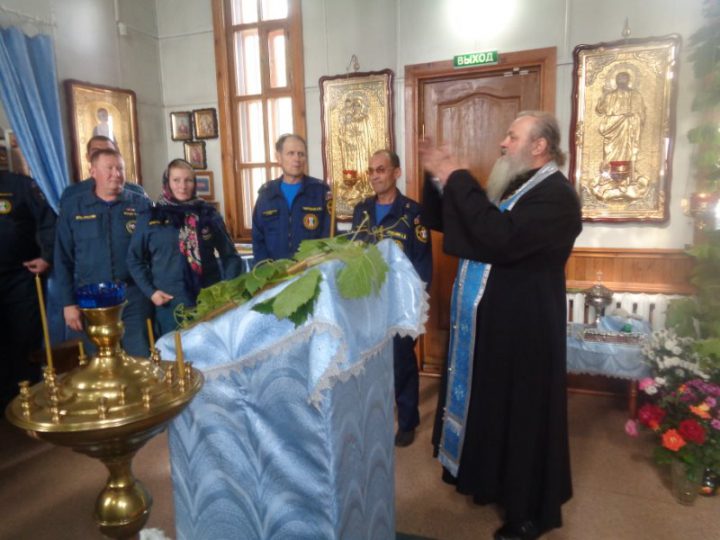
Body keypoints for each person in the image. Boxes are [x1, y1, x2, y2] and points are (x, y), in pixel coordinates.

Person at [421, 111, 582, 540]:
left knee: (524, 419)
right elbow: (463, 223)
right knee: (496, 412)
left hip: (527, 332)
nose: (503, 143)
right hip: (497, 330)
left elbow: (499, 236)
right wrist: (438, 178)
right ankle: (490, 483)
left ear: (540, 146)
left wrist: (456, 175)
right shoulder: (517, 187)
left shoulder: (557, 196)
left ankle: (530, 513)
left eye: (512, 136)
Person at [351, 149, 431, 447]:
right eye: (371, 170)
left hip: (399, 304)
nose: (375, 176)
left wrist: (417, 305)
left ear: (396, 173)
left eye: (381, 170)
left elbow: (422, 264)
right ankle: (375, 416)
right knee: (368, 362)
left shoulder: (413, 213)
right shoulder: (362, 210)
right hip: (368, 302)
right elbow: (353, 255)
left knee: (401, 362)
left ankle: (407, 421)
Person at [128, 159, 244, 335]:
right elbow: (134, 259)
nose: (182, 186)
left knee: (209, 348)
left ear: (194, 183)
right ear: (167, 182)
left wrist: (226, 290)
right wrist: (151, 292)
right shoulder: (151, 217)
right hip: (169, 303)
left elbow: (230, 256)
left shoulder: (208, 215)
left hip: (209, 300)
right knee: (174, 350)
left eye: (188, 180)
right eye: (176, 180)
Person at [54, 148, 152, 357]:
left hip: (133, 296)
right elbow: (62, 259)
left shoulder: (141, 205)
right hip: (91, 299)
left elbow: (154, 251)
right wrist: (68, 304)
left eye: (120, 169)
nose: (116, 174)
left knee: (141, 358)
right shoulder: (73, 207)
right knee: (100, 364)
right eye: (110, 168)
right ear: (93, 172)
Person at [0, 171, 56, 407]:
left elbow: (48, 222)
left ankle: (27, 403)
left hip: (20, 278)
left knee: (25, 342)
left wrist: (46, 257)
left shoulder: (20, 185)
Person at [251, 134, 331, 264]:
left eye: (301, 154)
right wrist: (265, 269)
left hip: (310, 270)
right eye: (291, 153)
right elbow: (258, 239)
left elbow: (328, 236)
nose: (297, 159)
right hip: (273, 272)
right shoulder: (266, 194)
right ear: (279, 158)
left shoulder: (320, 191)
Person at [60, 135, 147, 207]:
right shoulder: (71, 194)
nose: (102, 155)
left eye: (108, 151)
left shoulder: (137, 193)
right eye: (96, 151)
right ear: (87, 157)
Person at [595, 71, 646, 165]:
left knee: (627, 150)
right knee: (610, 152)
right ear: (615, 81)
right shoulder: (610, 95)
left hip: (629, 129)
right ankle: (609, 166)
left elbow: (641, 114)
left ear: (629, 80)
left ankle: (628, 166)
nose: (621, 80)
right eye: (619, 78)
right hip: (613, 128)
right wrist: (603, 95)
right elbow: (600, 110)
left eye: (624, 78)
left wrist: (632, 118)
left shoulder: (636, 95)